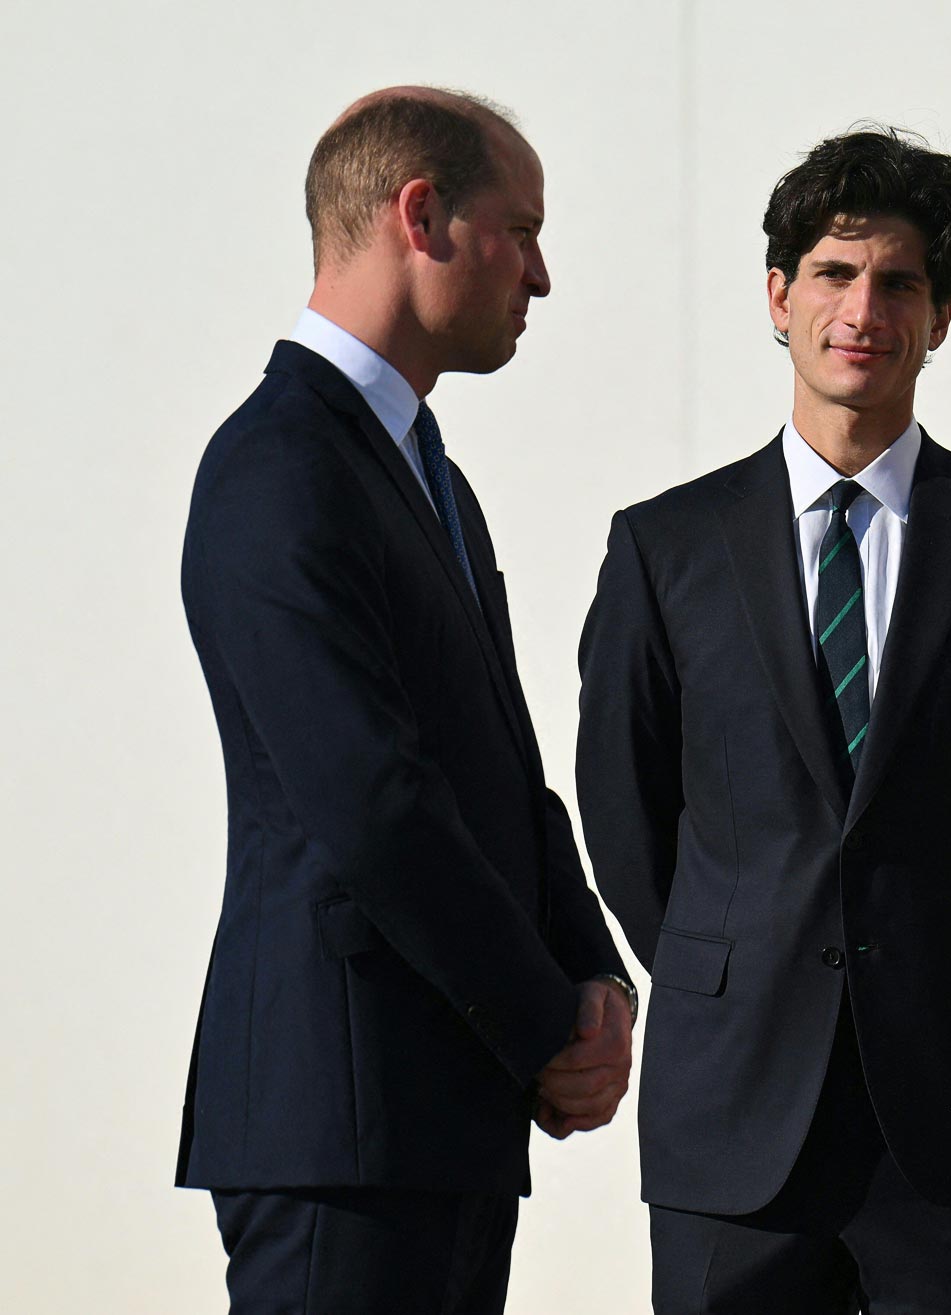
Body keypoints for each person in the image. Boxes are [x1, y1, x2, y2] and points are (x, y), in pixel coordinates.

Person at [576, 126, 951, 1315]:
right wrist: (735, 966)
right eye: (833, 273)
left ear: (938, 320)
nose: (862, 307)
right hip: (732, 1117)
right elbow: (622, 813)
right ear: (777, 297)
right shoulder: (665, 547)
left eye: (898, 283)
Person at [176, 88, 634, 1314]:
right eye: (520, 230)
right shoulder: (279, 466)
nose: (540, 277)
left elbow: (500, 764)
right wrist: (543, 1021)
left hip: (437, 1121)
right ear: (420, 215)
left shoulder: (426, 474)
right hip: (342, 1122)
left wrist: (596, 981)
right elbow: (370, 801)